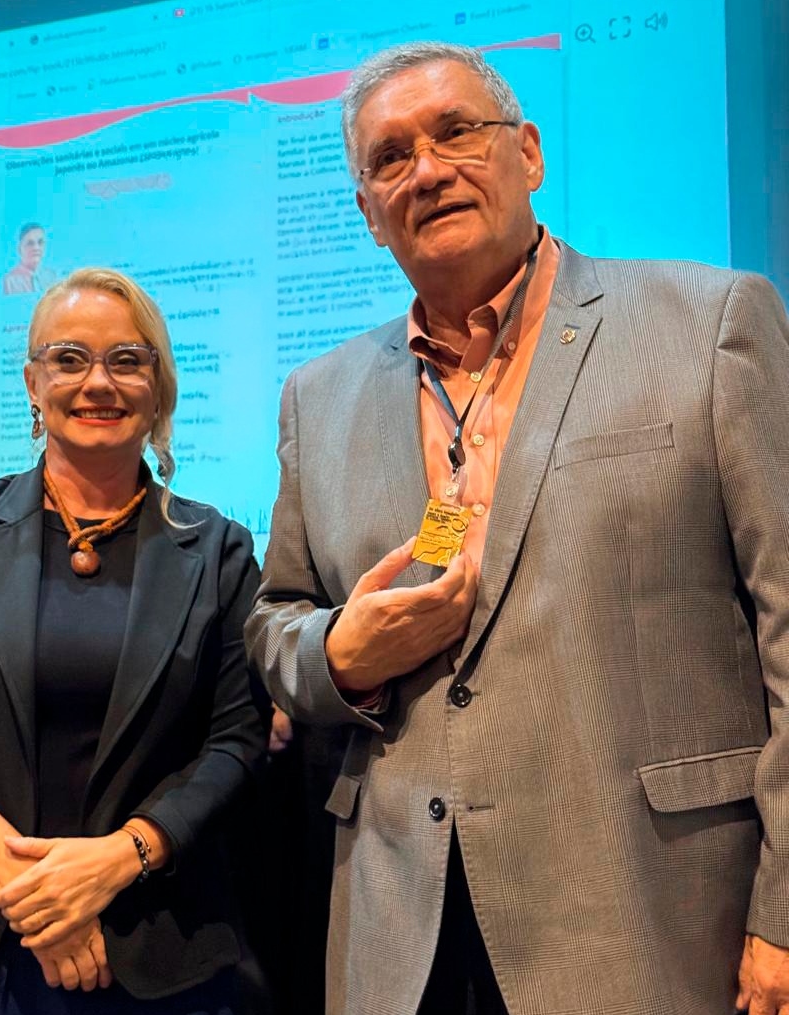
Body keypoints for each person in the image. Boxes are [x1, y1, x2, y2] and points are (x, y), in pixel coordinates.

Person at [244, 40, 789, 1015]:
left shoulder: (711, 324)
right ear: (367, 211)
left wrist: (784, 911)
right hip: (401, 935)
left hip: (646, 917)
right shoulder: (316, 398)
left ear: (528, 154)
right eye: (391, 157)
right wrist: (339, 654)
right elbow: (277, 617)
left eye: (456, 132)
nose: (427, 171)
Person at [0, 267, 270, 1014]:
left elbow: (235, 743)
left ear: (159, 388)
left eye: (127, 360)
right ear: (33, 385)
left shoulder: (220, 551)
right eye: (69, 358)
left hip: (152, 950)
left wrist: (119, 859)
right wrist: (43, 895)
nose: (98, 382)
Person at [3, 222, 59, 295]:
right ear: (19, 249)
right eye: (30, 243)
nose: (36, 248)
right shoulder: (10, 280)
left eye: (40, 242)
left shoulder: (53, 276)